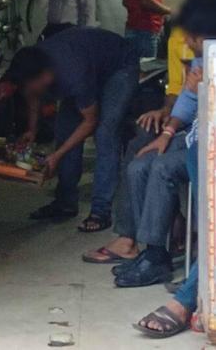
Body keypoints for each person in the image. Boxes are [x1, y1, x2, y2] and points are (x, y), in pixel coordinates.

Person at [82, 0, 214, 266]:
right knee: (140, 148)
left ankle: (162, 243)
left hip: (201, 129)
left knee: (161, 164)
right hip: (183, 120)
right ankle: (132, 240)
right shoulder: (185, 39)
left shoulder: (207, 47)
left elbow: (197, 97)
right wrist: (165, 120)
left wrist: (206, 89)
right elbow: (180, 93)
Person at [133, 0, 216, 338]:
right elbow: (188, 100)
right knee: (147, 162)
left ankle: (185, 300)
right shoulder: (203, 58)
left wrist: (205, 89)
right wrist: (167, 133)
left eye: (190, 37)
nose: (188, 43)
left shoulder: (208, 56)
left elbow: (199, 98)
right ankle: (153, 253)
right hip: (201, 144)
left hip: (210, 148)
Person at [8, 27, 139, 232]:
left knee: (106, 133)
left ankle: (100, 211)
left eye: (35, 86)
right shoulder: (35, 63)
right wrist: (31, 130)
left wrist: (57, 155)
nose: (32, 91)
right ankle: (65, 203)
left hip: (119, 66)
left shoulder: (72, 74)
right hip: (90, 61)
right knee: (65, 130)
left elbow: (90, 121)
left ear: (45, 76)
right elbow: (32, 93)